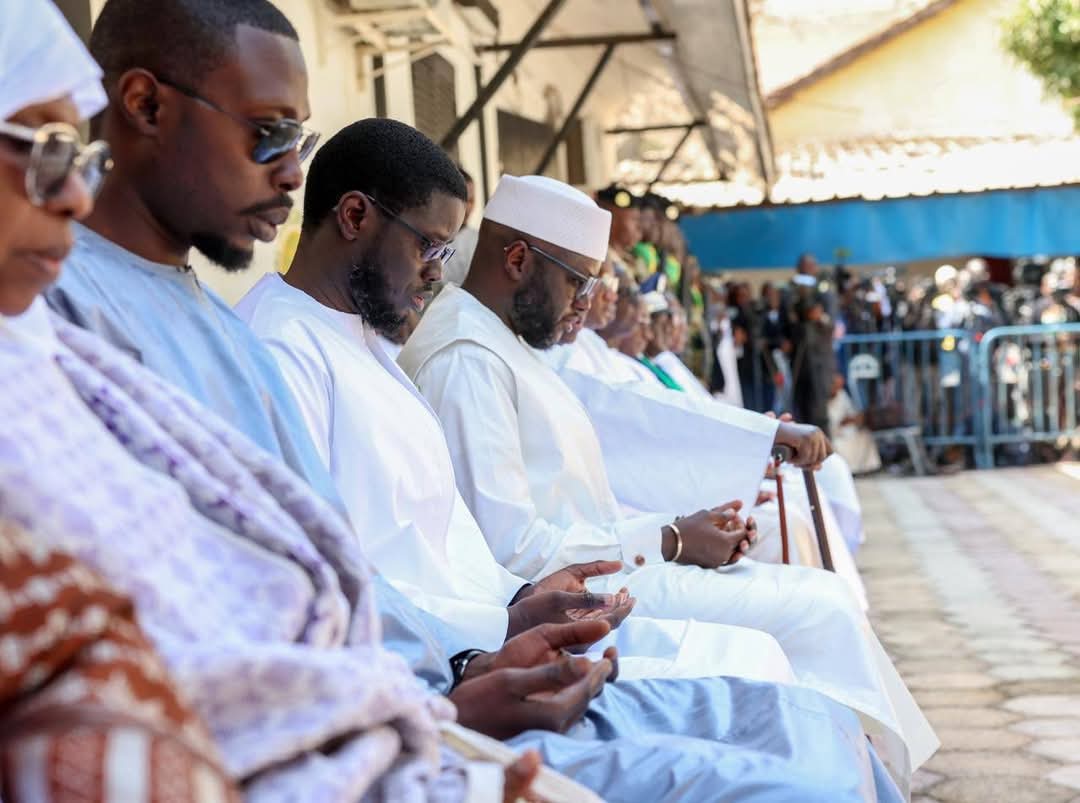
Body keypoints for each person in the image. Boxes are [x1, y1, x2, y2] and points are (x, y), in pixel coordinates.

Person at [33, 4, 901, 800]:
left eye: (300, 140)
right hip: (369, 717)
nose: (292, 174)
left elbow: (330, 567)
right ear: (143, 106)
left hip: (442, 665)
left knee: (812, 725)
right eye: (269, 136)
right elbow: (233, 611)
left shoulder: (224, 321)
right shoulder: (115, 327)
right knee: (798, 776)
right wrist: (459, 670)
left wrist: (488, 639)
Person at [400, 174, 937, 785]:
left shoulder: (501, 341)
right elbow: (513, 551)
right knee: (816, 612)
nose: (587, 303)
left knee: (824, 601)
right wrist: (669, 539)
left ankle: (860, 776)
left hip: (607, 569)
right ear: (518, 260)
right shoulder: (466, 359)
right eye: (578, 282)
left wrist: (677, 532)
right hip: (568, 596)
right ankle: (853, 780)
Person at [237, 117, 809, 687]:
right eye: (429, 246)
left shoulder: (357, 339)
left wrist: (524, 598)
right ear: (355, 217)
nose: (436, 273)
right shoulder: (283, 349)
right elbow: (323, 575)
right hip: (438, 665)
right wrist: (498, 629)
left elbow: (445, 536)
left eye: (446, 250)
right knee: (767, 658)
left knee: (758, 659)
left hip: (486, 629)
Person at [828, 375, 884, 476]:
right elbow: (829, 422)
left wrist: (856, 419)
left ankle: (866, 469)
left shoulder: (842, 394)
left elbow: (850, 412)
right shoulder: (822, 398)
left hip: (848, 430)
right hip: (834, 433)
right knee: (838, 443)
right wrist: (843, 422)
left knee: (865, 435)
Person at [441, 164, 478, 286]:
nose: (467, 208)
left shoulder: (478, 241)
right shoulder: (427, 238)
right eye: (462, 200)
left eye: (471, 201)